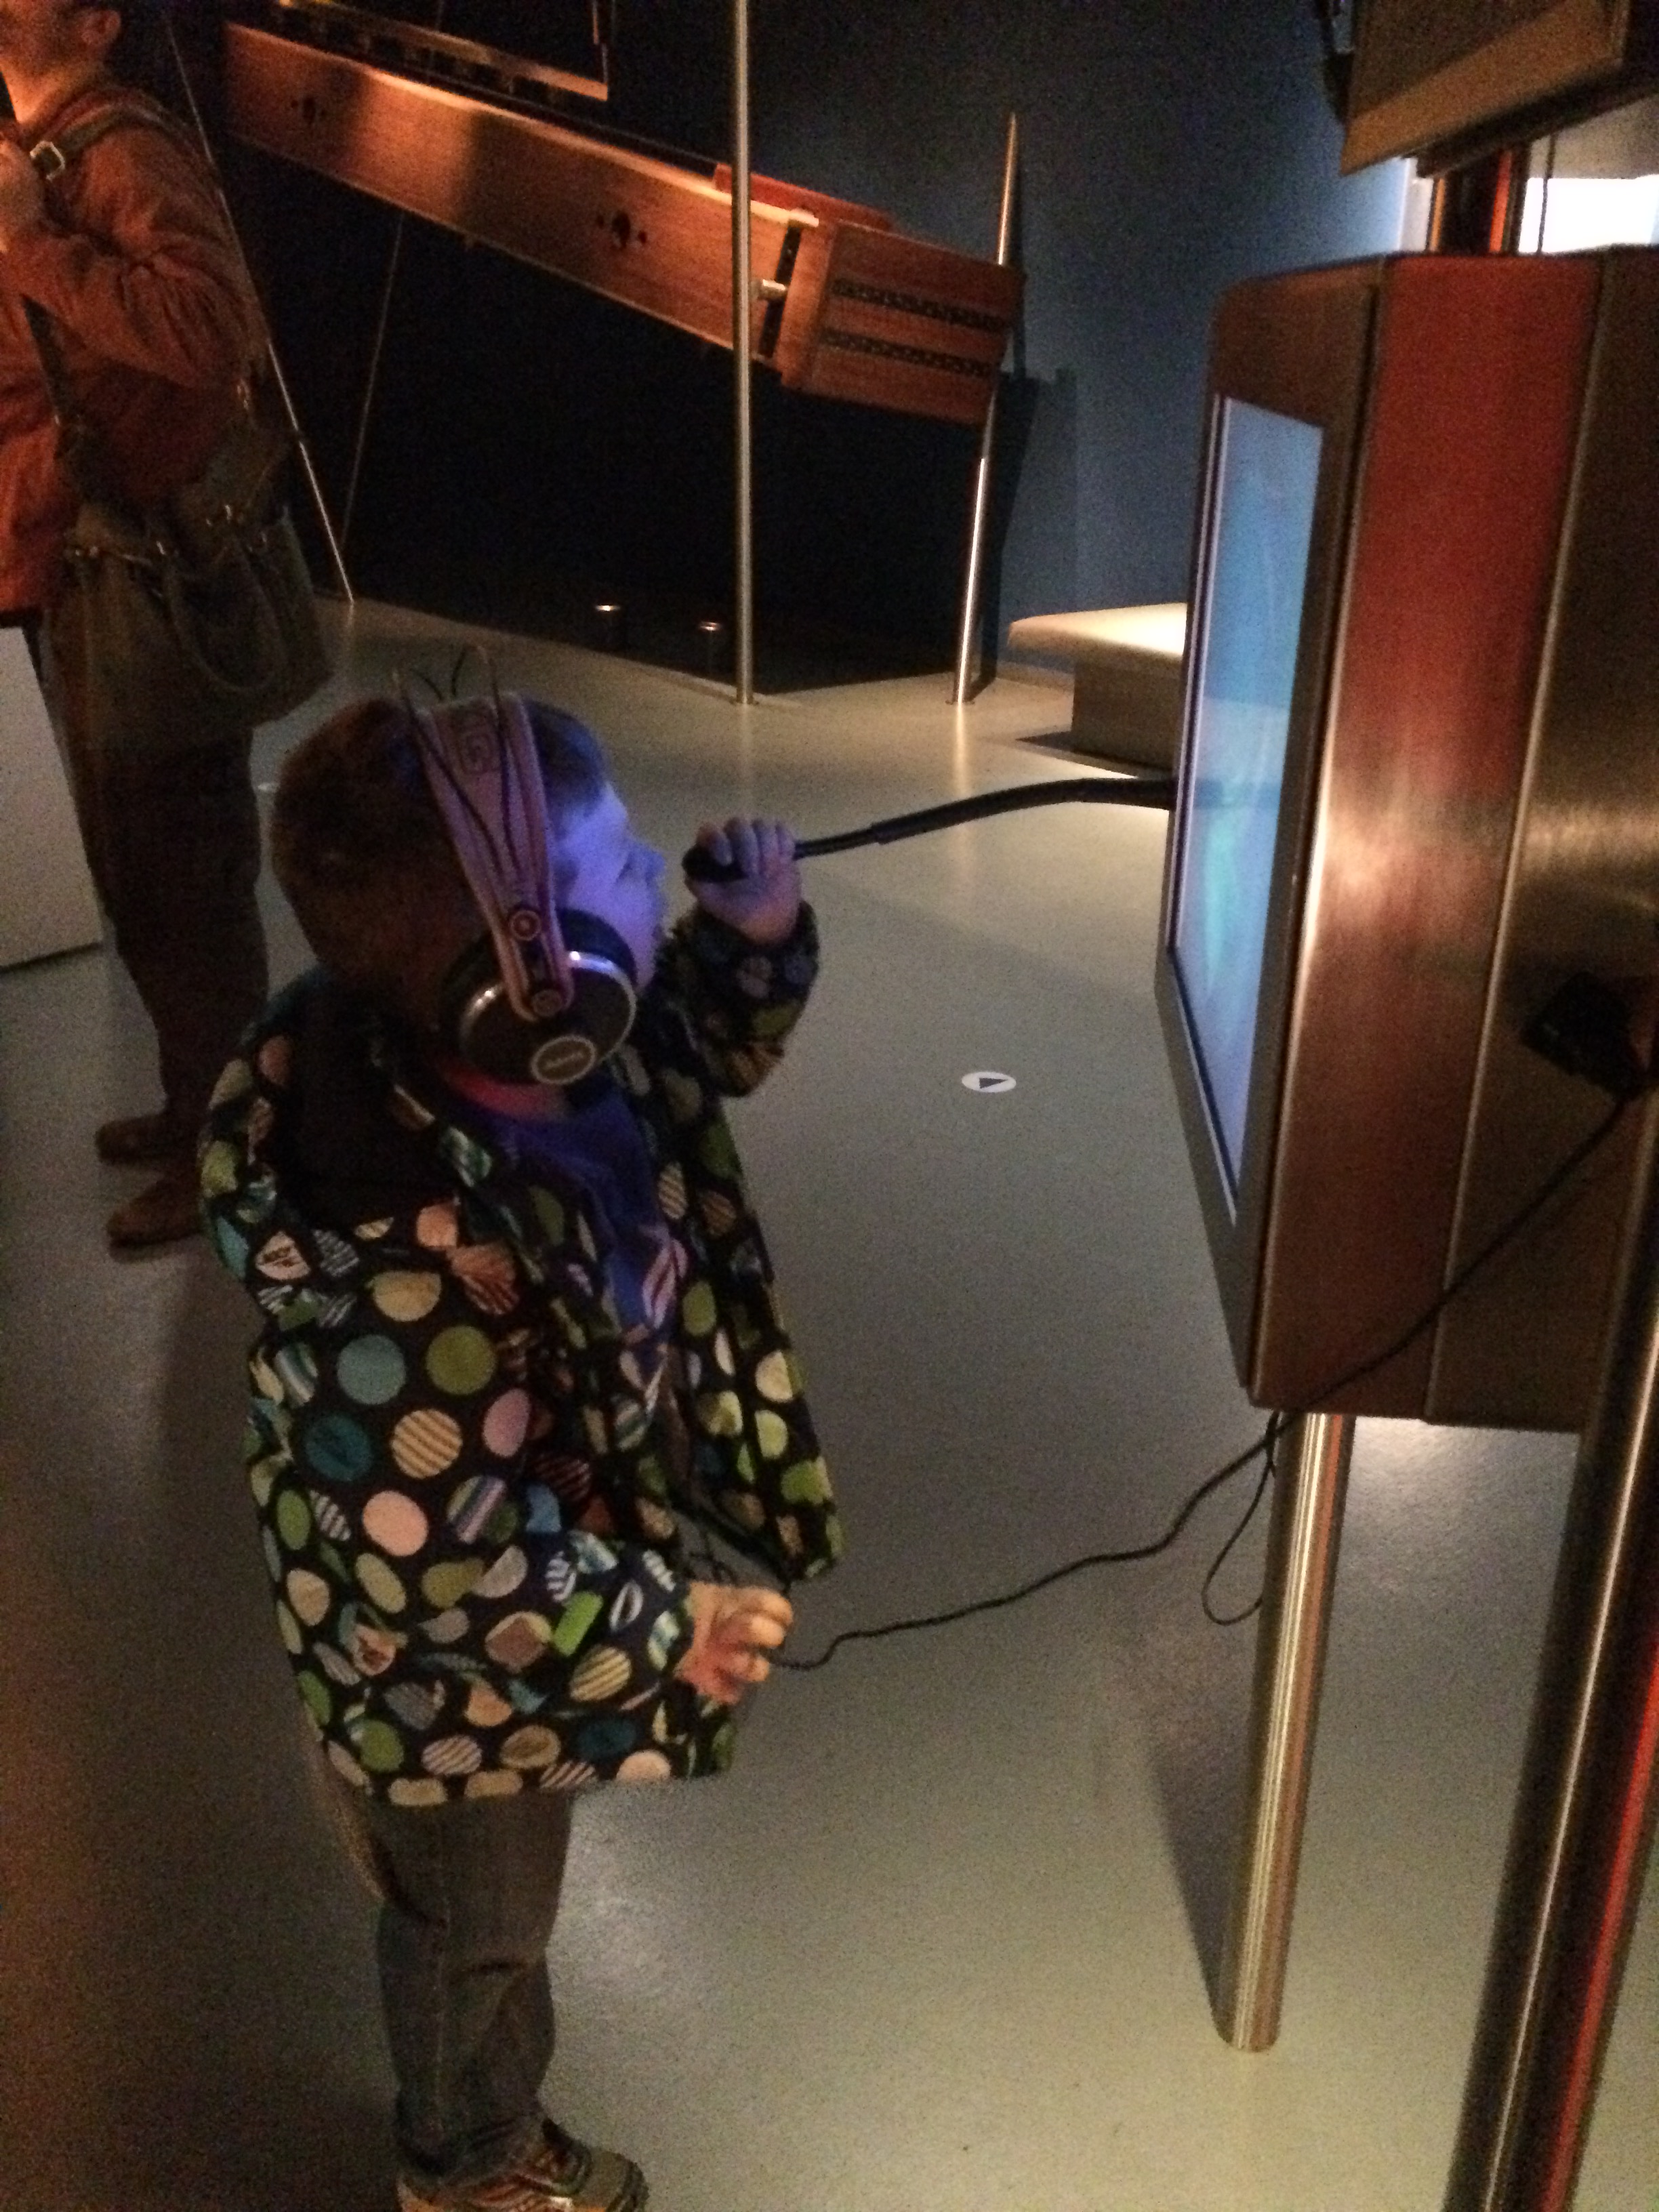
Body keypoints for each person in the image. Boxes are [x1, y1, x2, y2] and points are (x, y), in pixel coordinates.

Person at [199, 691, 842, 2212]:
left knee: (493, 1902)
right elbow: (442, 1570)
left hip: (544, 1596)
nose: (652, 875)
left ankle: (476, 2135)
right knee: (478, 1928)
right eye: (616, 861)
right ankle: (470, 2161)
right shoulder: (406, 1282)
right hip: (448, 1686)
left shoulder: (559, 1054)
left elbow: (690, 1044)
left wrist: (753, 941)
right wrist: (664, 1627)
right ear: (518, 977)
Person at [0, 0, 269, 1246]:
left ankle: (232, 1153)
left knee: (182, 874)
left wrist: (29, 245)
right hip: (82, 560)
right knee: (142, 868)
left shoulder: (116, 151)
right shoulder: (45, 151)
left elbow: (211, 331)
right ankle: (196, 1107)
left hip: (140, 571)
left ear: (99, 24)